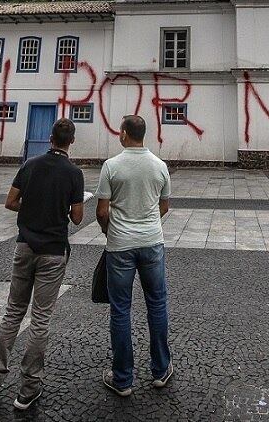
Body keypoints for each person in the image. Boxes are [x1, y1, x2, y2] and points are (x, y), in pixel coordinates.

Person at [0, 118, 85, 410]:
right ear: (71, 141)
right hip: (52, 252)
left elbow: (10, 202)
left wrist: (31, 206)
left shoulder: (30, 165)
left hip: (24, 246)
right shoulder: (74, 173)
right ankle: (28, 388)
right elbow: (76, 217)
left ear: (51, 138)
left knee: (12, 313)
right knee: (41, 319)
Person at [95, 114, 173, 396]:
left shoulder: (111, 166)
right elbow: (164, 206)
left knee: (120, 310)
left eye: (120, 130)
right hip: (152, 243)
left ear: (126, 134)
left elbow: (102, 210)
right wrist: (149, 225)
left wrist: (109, 230)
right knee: (157, 304)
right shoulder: (160, 166)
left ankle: (123, 378)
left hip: (120, 246)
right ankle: (161, 370)